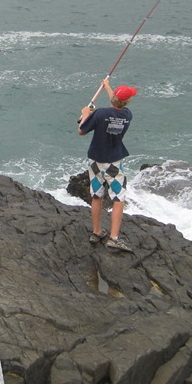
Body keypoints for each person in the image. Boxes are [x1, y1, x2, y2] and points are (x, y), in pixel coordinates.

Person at [77, 77, 137, 253]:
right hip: (113, 163)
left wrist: (85, 114)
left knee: (97, 195)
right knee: (118, 198)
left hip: (96, 161)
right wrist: (108, 87)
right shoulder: (127, 115)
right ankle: (114, 238)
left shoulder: (99, 114)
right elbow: (117, 103)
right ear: (127, 102)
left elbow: (81, 130)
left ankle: (96, 232)